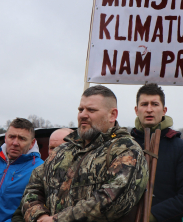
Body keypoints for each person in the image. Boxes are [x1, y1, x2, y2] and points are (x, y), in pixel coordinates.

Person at [18, 85, 148, 222]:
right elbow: (32, 189)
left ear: (112, 115)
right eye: (81, 109)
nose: (83, 115)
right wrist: (39, 216)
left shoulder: (126, 150)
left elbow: (113, 201)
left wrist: (57, 220)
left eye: (91, 110)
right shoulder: (62, 150)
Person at [130, 83, 183, 222]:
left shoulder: (180, 148)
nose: (149, 109)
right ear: (136, 110)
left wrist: (154, 215)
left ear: (164, 110)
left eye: (155, 104)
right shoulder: (125, 146)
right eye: (144, 104)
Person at [0, 118, 43, 222]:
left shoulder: (40, 168)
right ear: (5, 138)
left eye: (22, 138)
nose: (15, 143)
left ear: (32, 143)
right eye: (11, 137)